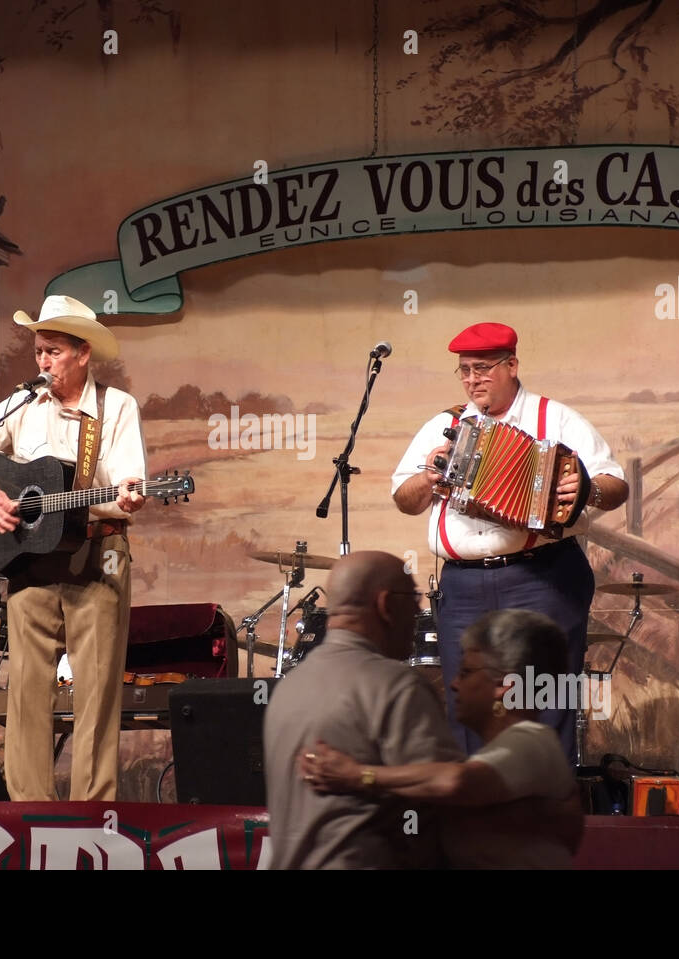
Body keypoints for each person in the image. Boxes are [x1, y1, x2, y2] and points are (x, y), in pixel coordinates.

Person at [391, 323, 627, 762]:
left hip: (544, 577)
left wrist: (586, 490)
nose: (471, 379)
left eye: (482, 368)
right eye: (463, 370)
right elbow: (404, 500)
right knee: (469, 700)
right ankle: (476, 815)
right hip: (463, 586)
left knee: (547, 698)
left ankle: (542, 811)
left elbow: (616, 485)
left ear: (512, 366)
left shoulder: (554, 418)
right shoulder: (445, 425)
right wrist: (428, 477)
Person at [0, 295, 146, 802]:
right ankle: (28, 818)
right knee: (27, 697)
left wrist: (128, 494)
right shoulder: (21, 404)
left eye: (54, 351)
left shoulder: (115, 406)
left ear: (84, 354)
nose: (42, 361)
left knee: (97, 694)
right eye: (39, 350)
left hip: (97, 555)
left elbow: (128, 490)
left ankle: (91, 821)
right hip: (30, 562)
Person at [301, 609, 583, 868]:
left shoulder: (532, 741)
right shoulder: (512, 755)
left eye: (466, 672)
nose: (453, 683)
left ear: (504, 686)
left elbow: (455, 782)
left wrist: (356, 775)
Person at [263, 551, 463, 869]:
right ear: (385, 604)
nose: (417, 611)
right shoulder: (396, 686)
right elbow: (451, 792)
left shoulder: (286, 689)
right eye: (412, 598)